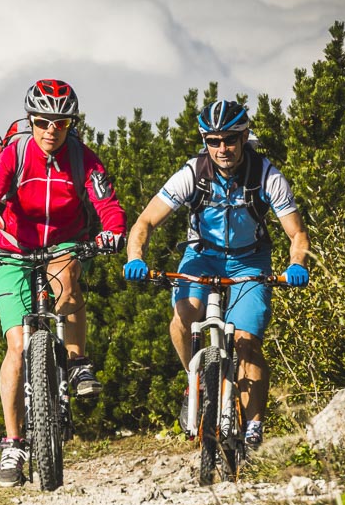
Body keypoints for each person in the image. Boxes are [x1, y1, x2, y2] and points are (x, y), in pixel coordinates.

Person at [0, 79, 127, 486]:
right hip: (12, 249)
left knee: (66, 274)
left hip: (64, 242)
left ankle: (78, 363)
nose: (52, 129)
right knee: (17, 347)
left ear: (71, 125)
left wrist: (114, 232)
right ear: (30, 120)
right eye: (43, 121)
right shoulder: (13, 155)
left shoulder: (83, 159)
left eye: (61, 122)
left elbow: (107, 203)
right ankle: (13, 445)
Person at [123, 99, 310, 456]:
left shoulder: (267, 175)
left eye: (230, 140)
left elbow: (296, 233)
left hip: (249, 261)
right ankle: (193, 380)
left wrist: (297, 264)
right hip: (202, 256)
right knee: (184, 316)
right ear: (205, 141)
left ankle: (253, 429)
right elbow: (145, 221)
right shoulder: (193, 173)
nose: (222, 148)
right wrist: (136, 257)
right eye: (213, 141)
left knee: (246, 342)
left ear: (244, 137)